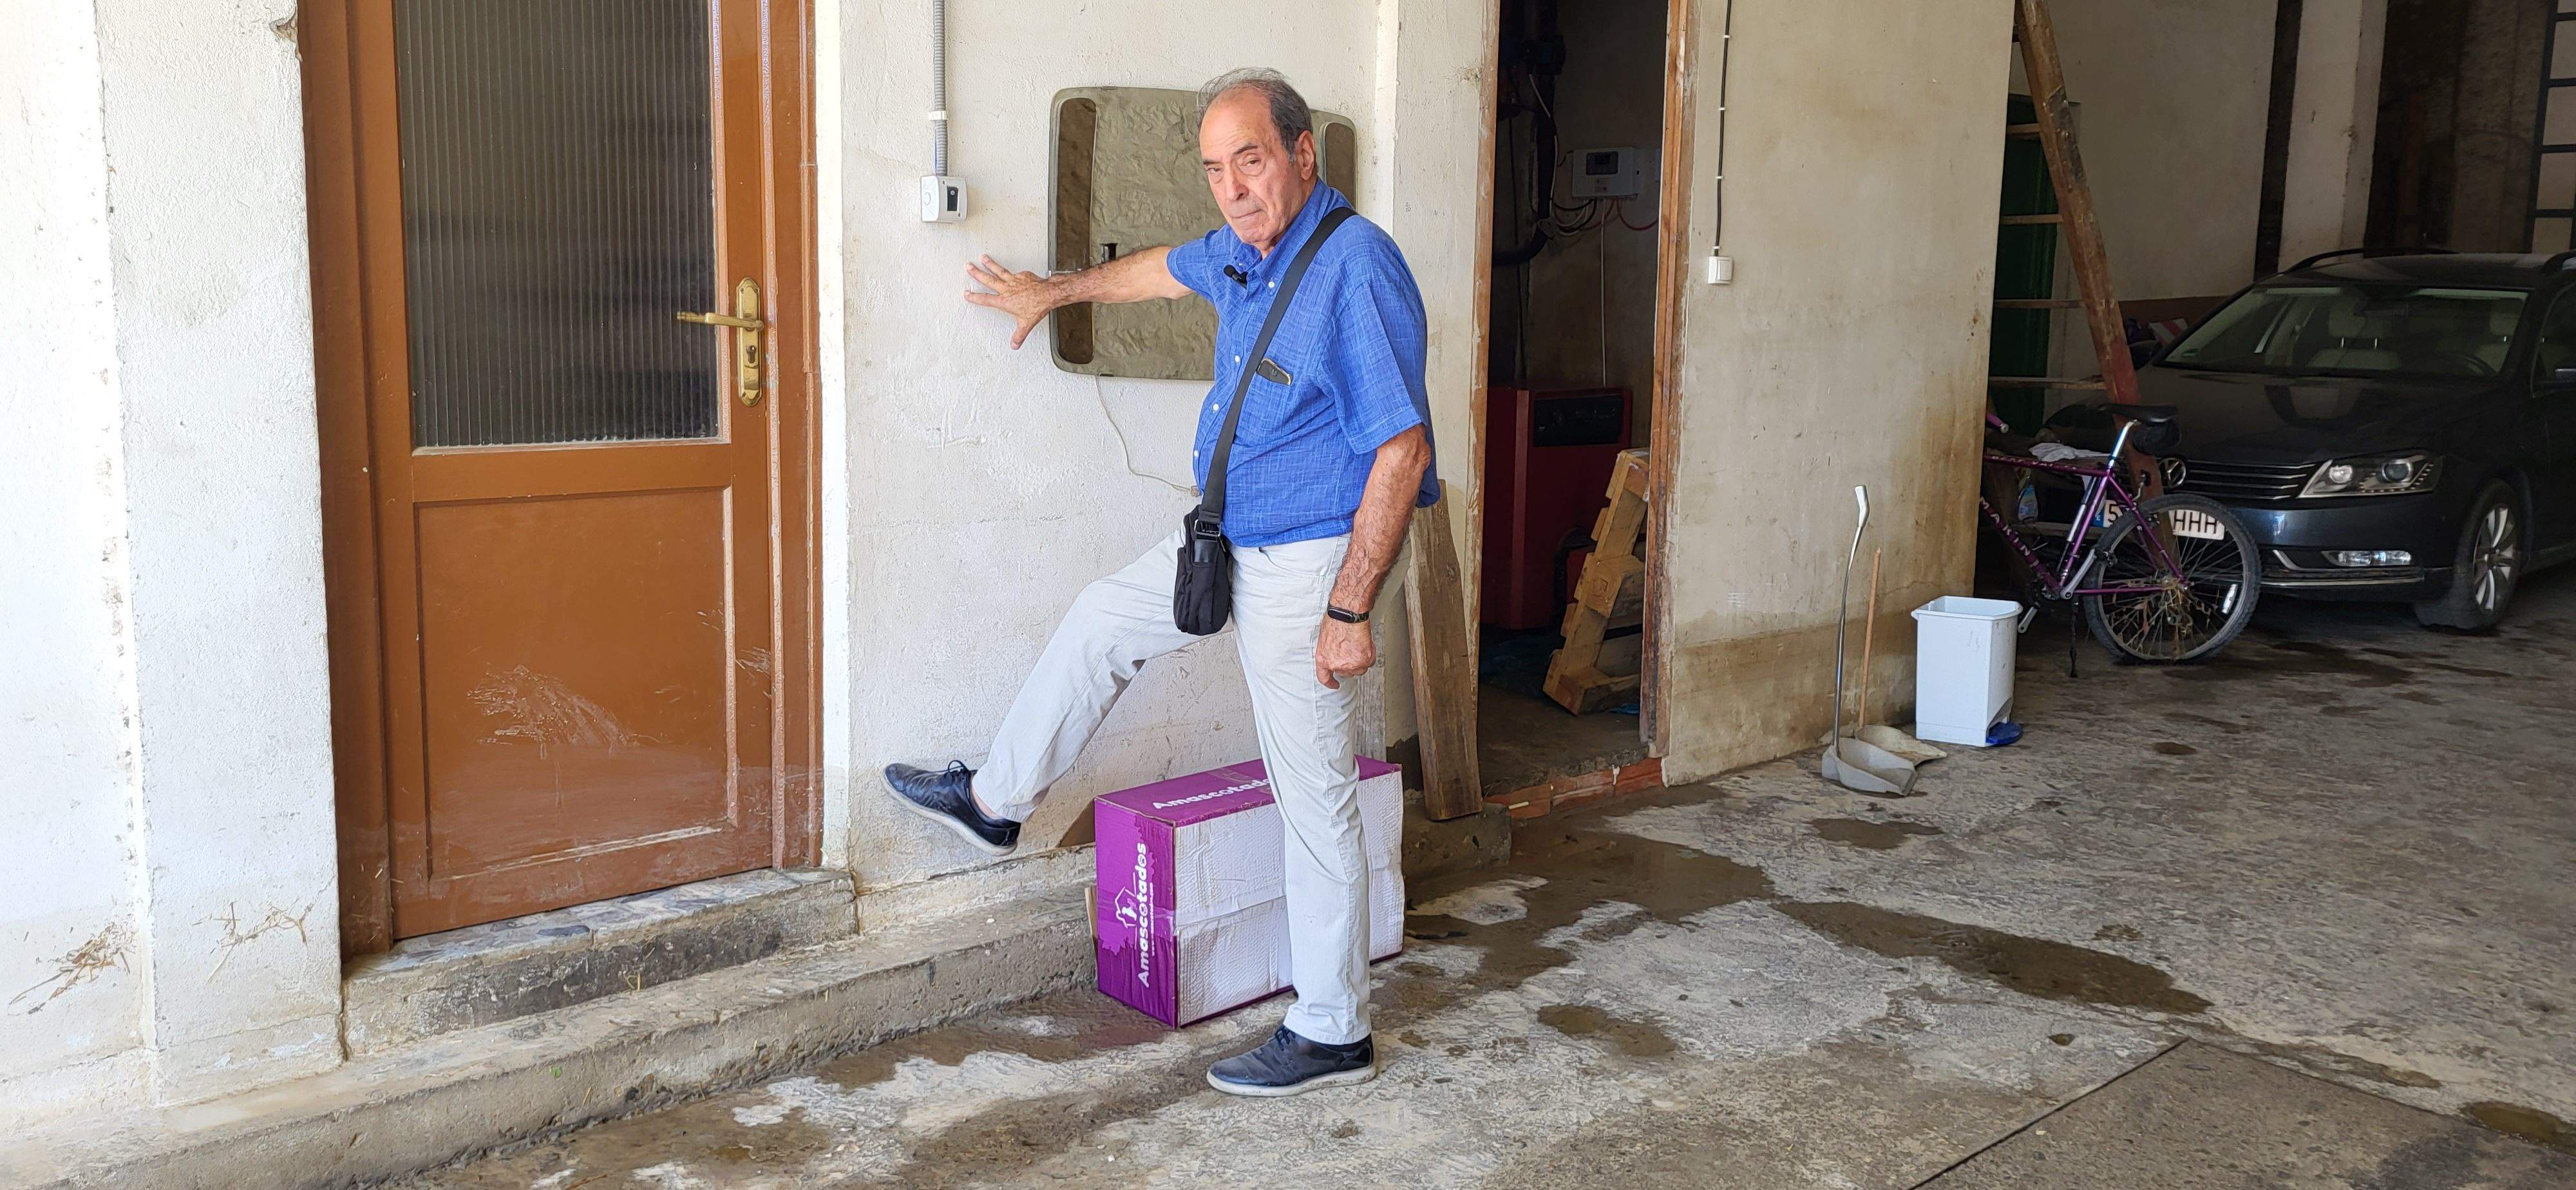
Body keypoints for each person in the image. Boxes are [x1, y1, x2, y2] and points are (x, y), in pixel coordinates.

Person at [885, 66, 1437, 1098]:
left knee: (1311, 792)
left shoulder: (1354, 268)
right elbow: (1160, 271)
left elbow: (1401, 450)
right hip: (1228, 543)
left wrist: (1350, 609)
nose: (1232, 187)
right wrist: (1057, 293)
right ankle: (998, 801)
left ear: (1303, 155)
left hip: (1312, 562)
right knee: (1103, 619)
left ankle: (1333, 1030)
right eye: (1216, 169)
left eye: (1253, 160)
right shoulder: (1243, 251)